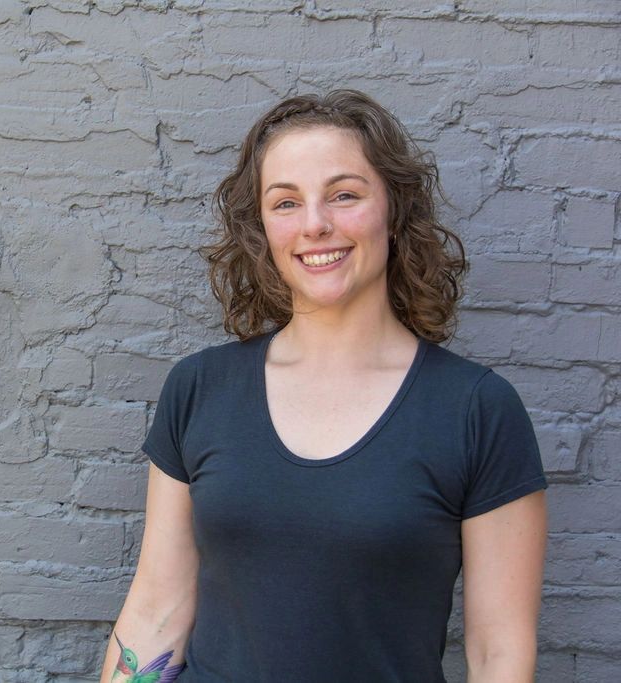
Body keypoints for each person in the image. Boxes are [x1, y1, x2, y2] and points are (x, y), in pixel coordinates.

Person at [98, 89, 549, 682]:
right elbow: (156, 612)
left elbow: (498, 654)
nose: (315, 224)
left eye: (344, 195)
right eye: (286, 203)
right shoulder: (200, 389)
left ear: (393, 209)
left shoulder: (476, 411)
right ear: (261, 228)